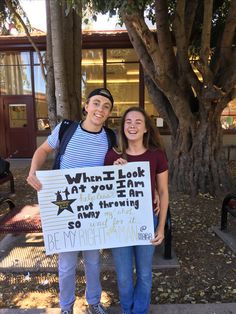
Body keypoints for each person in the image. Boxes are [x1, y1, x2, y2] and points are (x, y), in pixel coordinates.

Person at [27, 88, 115, 314]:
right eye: (96, 103)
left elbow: (115, 166)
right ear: (86, 106)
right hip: (64, 209)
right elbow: (43, 150)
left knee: (93, 262)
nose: (100, 109)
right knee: (66, 265)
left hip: (93, 211)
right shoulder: (66, 129)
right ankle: (66, 307)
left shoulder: (110, 137)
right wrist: (33, 171)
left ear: (108, 113)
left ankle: (94, 302)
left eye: (106, 106)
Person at [104, 107, 169, 314]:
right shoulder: (111, 156)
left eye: (138, 122)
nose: (132, 125)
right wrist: (114, 174)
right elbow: (101, 196)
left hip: (146, 218)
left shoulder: (156, 155)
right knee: (123, 276)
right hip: (119, 222)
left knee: (144, 273)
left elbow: (163, 191)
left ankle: (139, 311)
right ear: (122, 128)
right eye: (128, 122)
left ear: (146, 129)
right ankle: (126, 310)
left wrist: (161, 226)